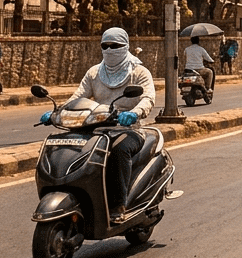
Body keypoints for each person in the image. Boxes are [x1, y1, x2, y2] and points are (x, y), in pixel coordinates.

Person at [42, 28, 156, 223]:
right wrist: (57, 112)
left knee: (120, 151)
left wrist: (134, 113)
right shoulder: (94, 72)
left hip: (128, 129)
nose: (110, 50)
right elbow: (78, 96)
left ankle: (118, 204)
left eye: (115, 46)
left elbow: (148, 97)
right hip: (97, 126)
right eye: (105, 46)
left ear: (126, 46)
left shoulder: (139, 72)